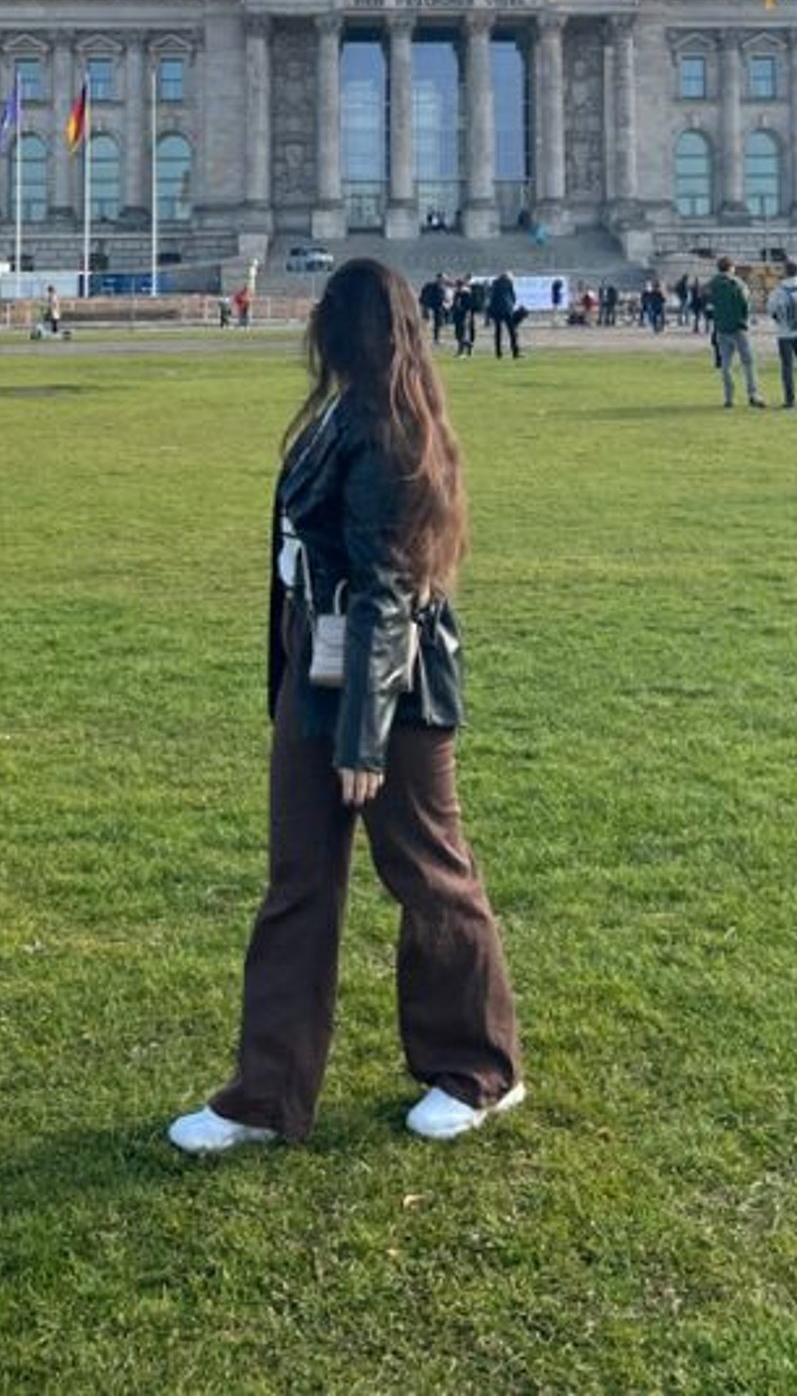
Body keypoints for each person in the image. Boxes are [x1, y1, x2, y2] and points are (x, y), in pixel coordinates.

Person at [169, 258, 523, 1153]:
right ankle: (268, 1093)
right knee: (297, 883)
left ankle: (478, 1069)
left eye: (329, 309)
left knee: (429, 875)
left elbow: (386, 588)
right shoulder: (336, 411)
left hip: (391, 694)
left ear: (356, 325)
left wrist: (362, 738)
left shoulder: (392, 431)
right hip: (318, 680)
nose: (313, 320)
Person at [707, 259, 764, 410]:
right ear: (731, 268)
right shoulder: (737, 284)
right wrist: (745, 319)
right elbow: (745, 304)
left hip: (721, 328)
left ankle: (729, 397)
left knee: (726, 365)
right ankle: (753, 394)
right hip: (738, 327)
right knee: (748, 362)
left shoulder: (712, 285)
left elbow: (708, 306)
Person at [767, 259, 797, 410]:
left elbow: (771, 308)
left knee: (787, 367)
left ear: (785, 271)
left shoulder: (780, 288)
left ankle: (790, 400)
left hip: (785, 332)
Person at [485, 270, 523, 360]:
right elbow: (513, 297)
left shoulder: (494, 284)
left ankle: (498, 353)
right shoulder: (509, 284)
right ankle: (515, 352)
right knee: (512, 331)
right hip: (507, 309)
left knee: (498, 332)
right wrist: (512, 305)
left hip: (496, 310)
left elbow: (491, 297)